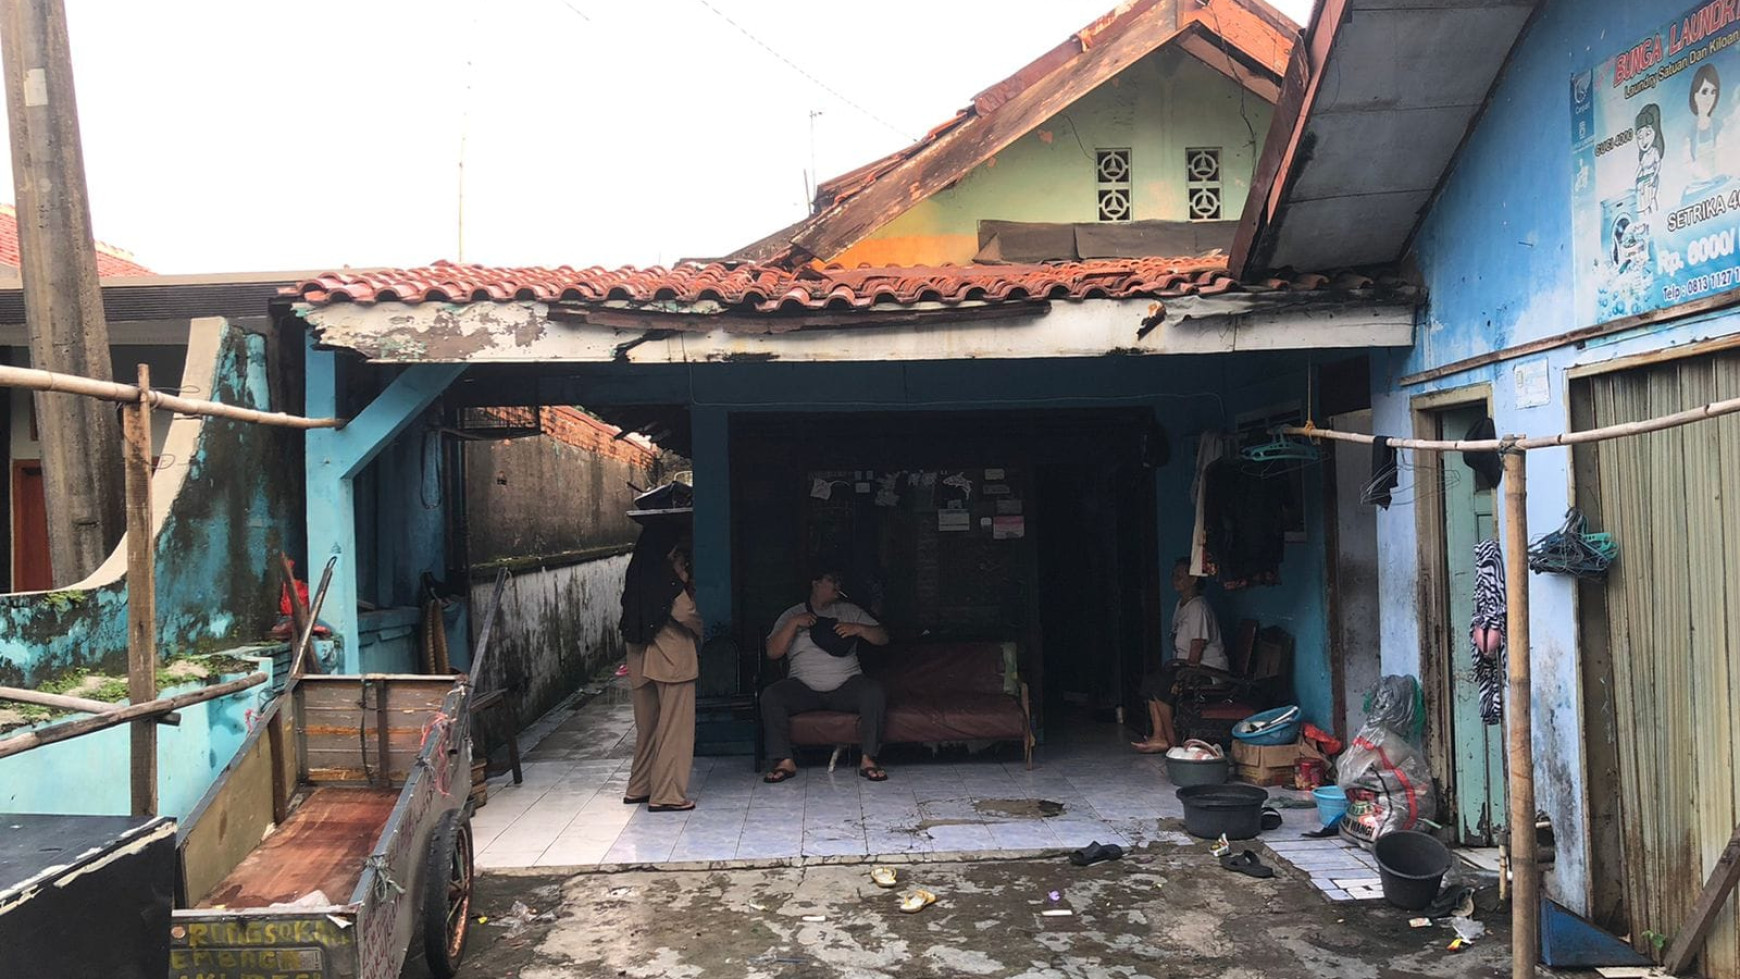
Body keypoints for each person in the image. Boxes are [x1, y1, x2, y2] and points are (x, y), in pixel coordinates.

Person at [761, 565, 891, 783]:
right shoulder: (792, 614)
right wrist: (794, 624)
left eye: (840, 583)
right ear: (816, 583)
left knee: (874, 692)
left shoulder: (848, 610)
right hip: (803, 687)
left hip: (846, 686)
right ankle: (784, 760)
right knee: (771, 696)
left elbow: (883, 637)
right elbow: (773, 652)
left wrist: (858, 629)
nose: (837, 587)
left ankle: (868, 758)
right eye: (832, 581)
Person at [622, 537, 702, 812]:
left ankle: (639, 787)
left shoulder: (638, 579)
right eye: (681, 564)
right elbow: (688, 615)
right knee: (674, 729)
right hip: (671, 660)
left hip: (639, 658)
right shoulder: (669, 587)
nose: (685, 571)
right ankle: (667, 794)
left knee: (648, 728)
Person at [1131, 558, 1227, 753]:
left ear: (1193, 579)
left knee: (1163, 685)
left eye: (1181, 575)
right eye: (1174, 574)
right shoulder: (1182, 605)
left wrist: (1181, 675)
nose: (1175, 578)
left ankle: (1172, 741)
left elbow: (1197, 648)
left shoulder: (1198, 607)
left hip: (1208, 670)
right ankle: (1159, 737)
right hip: (1186, 666)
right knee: (1151, 681)